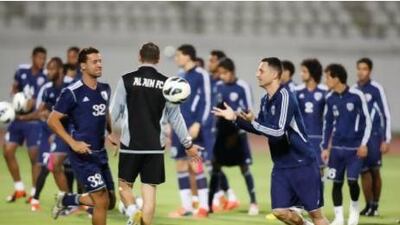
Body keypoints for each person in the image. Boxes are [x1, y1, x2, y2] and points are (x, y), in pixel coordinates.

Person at [213, 57, 329, 225]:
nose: (257, 74)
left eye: (261, 71)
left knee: (316, 215)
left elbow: (278, 132)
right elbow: (259, 128)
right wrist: (235, 118)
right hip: (281, 165)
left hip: (302, 163)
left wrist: (254, 122)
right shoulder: (265, 100)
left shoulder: (286, 96)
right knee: (280, 212)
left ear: (274, 74)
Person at [109, 42, 202, 225]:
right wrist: (188, 145)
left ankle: (133, 210)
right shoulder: (166, 84)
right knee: (149, 192)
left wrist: (111, 135)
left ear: (139, 57)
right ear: (158, 59)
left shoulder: (126, 80)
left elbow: (114, 113)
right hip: (155, 147)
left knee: (124, 186)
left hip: (131, 144)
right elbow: (176, 118)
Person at [48, 47, 116, 225]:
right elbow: (52, 120)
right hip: (82, 155)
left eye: (100, 61)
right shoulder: (72, 92)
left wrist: (110, 132)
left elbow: (104, 112)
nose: (99, 64)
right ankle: (67, 201)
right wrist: (72, 142)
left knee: (110, 202)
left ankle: (67, 200)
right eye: (95, 62)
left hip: (100, 153)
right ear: (83, 66)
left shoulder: (105, 89)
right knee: (101, 201)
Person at [321, 63, 372, 225]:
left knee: (351, 181)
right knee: (336, 183)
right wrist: (324, 147)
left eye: (328, 77)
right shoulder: (329, 98)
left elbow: (367, 122)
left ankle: (354, 212)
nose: (326, 80)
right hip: (336, 150)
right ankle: (339, 218)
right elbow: (327, 125)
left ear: (337, 78)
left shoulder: (356, 95)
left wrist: (364, 144)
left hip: (354, 150)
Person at [208, 58, 259, 215]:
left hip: (237, 133)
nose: (221, 76)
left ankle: (253, 203)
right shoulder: (217, 87)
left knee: (244, 168)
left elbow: (249, 112)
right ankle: (209, 204)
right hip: (221, 134)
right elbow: (213, 109)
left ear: (231, 72)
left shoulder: (242, 86)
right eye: (220, 73)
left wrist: (234, 115)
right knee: (215, 167)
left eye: (224, 73)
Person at [21, 57, 69, 211]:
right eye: (48, 69)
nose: (48, 72)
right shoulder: (48, 90)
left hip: (69, 134)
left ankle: (77, 202)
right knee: (49, 165)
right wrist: (25, 116)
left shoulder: (69, 89)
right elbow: (41, 111)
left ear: (60, 70)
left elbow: (72, 113)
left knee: (68, 167)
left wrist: (54, 119)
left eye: (52, 68)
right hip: (53, 134)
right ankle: (39, 199)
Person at [169, 44, 210, 218]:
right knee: (180, 164)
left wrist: (199, 123)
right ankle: (186, 206)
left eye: (178, 55)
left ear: (188, 56)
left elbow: (207, 101)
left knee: (196, 165)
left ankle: (204, 207)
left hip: (194, 127)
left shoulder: (201, 74)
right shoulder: (179, 76)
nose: (176, 58)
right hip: (178, 127)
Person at [3, 46, 47, 203]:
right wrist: (15, 95)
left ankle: (34, 193)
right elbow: (15, 88)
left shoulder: (45, 77)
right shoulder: (21, 71)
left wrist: (29, 105)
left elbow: (36, 101)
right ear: (33, 57)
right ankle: (19, 188)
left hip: (33, 122)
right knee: (7, 151)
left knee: (34, 157)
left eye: (44, 58)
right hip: (17, 119)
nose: (42, 61)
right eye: (40, 58)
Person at [353, 58, 391, 216]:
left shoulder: (376, 89)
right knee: (363, 171)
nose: (361, 71)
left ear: (370, 71)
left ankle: (375, 206)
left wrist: (387, 139)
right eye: (359, 68)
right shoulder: (354, 89)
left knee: (375, 170)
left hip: (375, 136)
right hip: (361, 137)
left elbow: (386, 113)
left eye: (365, 69)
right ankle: (368, 205)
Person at [295, 58, 328, 174]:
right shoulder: (296, 91)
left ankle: (320, 193)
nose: (301, 74)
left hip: (319, 139)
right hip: (301, 138)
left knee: (319, 172)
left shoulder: (326, 91)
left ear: (312, 72)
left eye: (304, 71)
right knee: (300, 172)